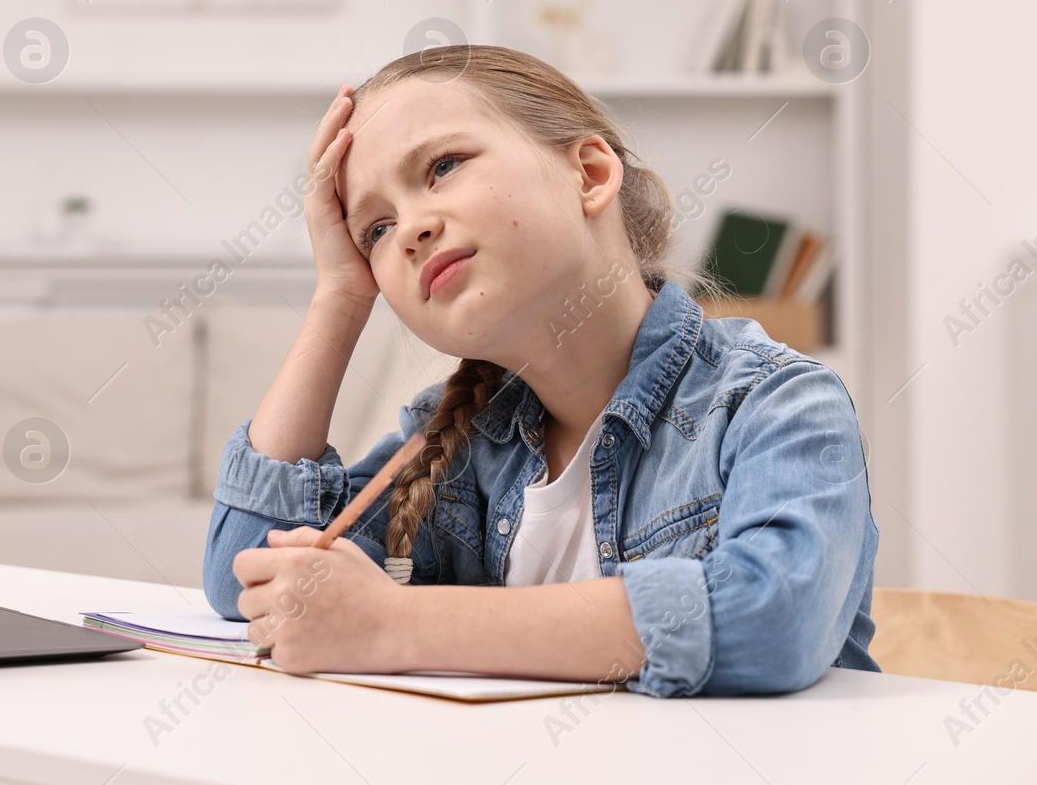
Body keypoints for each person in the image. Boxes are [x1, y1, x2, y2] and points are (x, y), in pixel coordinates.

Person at [201, 45, 879, 697]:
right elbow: (248, 581)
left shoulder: (776, 401)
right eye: (375, 228)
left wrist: (391, 624)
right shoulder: (452, 444)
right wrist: (339, 297)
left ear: (589, 173)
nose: (407, 228)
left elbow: (776, 617)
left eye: (441, 167)